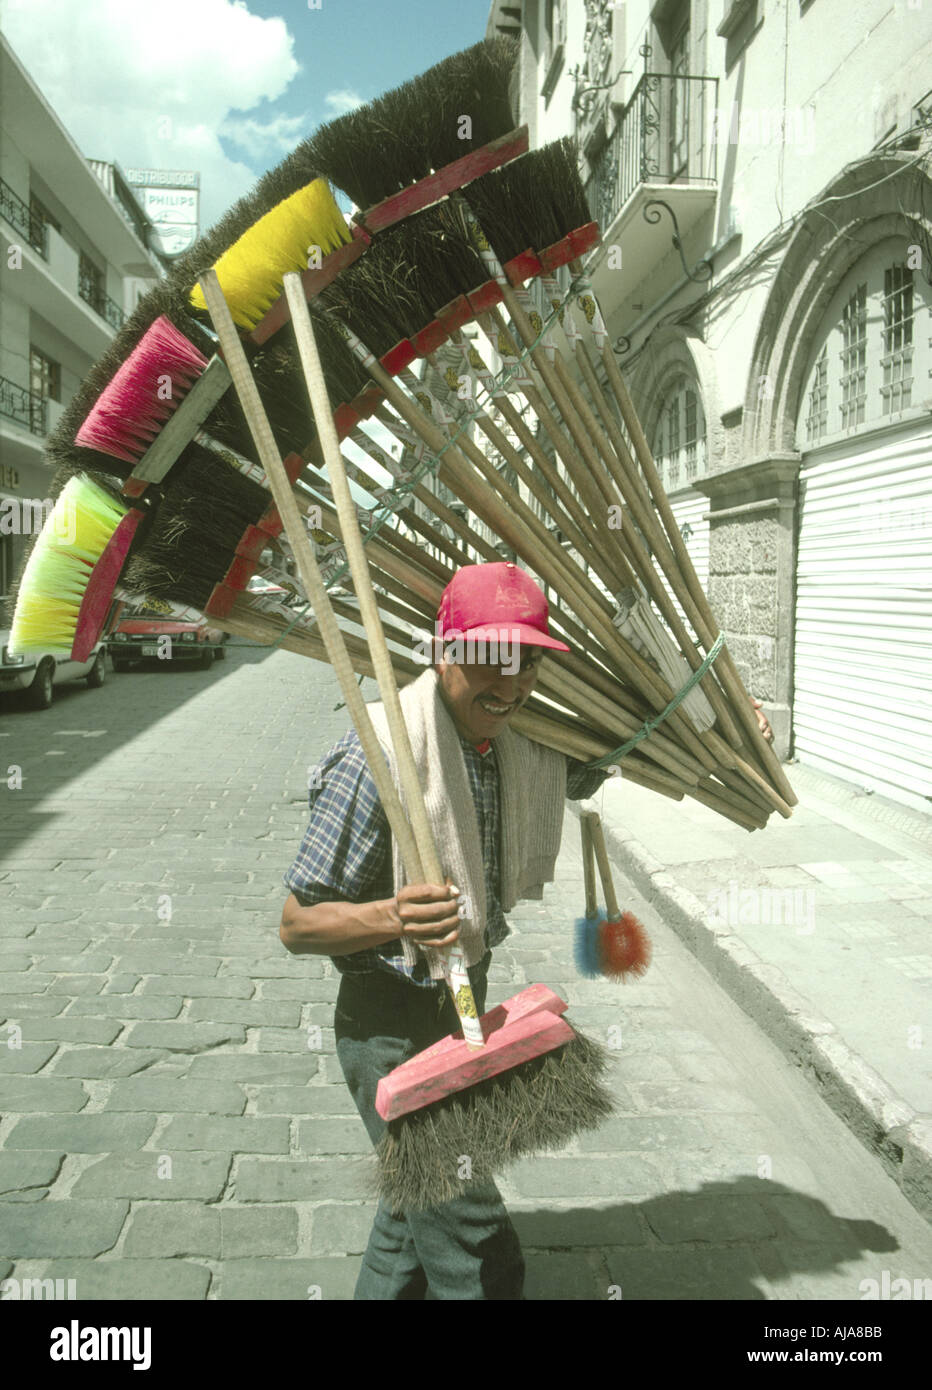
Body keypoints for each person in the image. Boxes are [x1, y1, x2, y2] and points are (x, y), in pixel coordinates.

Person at [279, 562, 774, 1300]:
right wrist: (391, 916)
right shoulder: (380, 755)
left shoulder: (522, 742)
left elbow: (635, 739)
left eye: (526, 660)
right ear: (444, 652)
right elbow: (295, 923)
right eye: (487, 659)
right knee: (476, 1245)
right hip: (388, 1027)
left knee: (408, 1220)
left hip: (465, 1005)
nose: (508, 684)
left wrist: (730, 728)